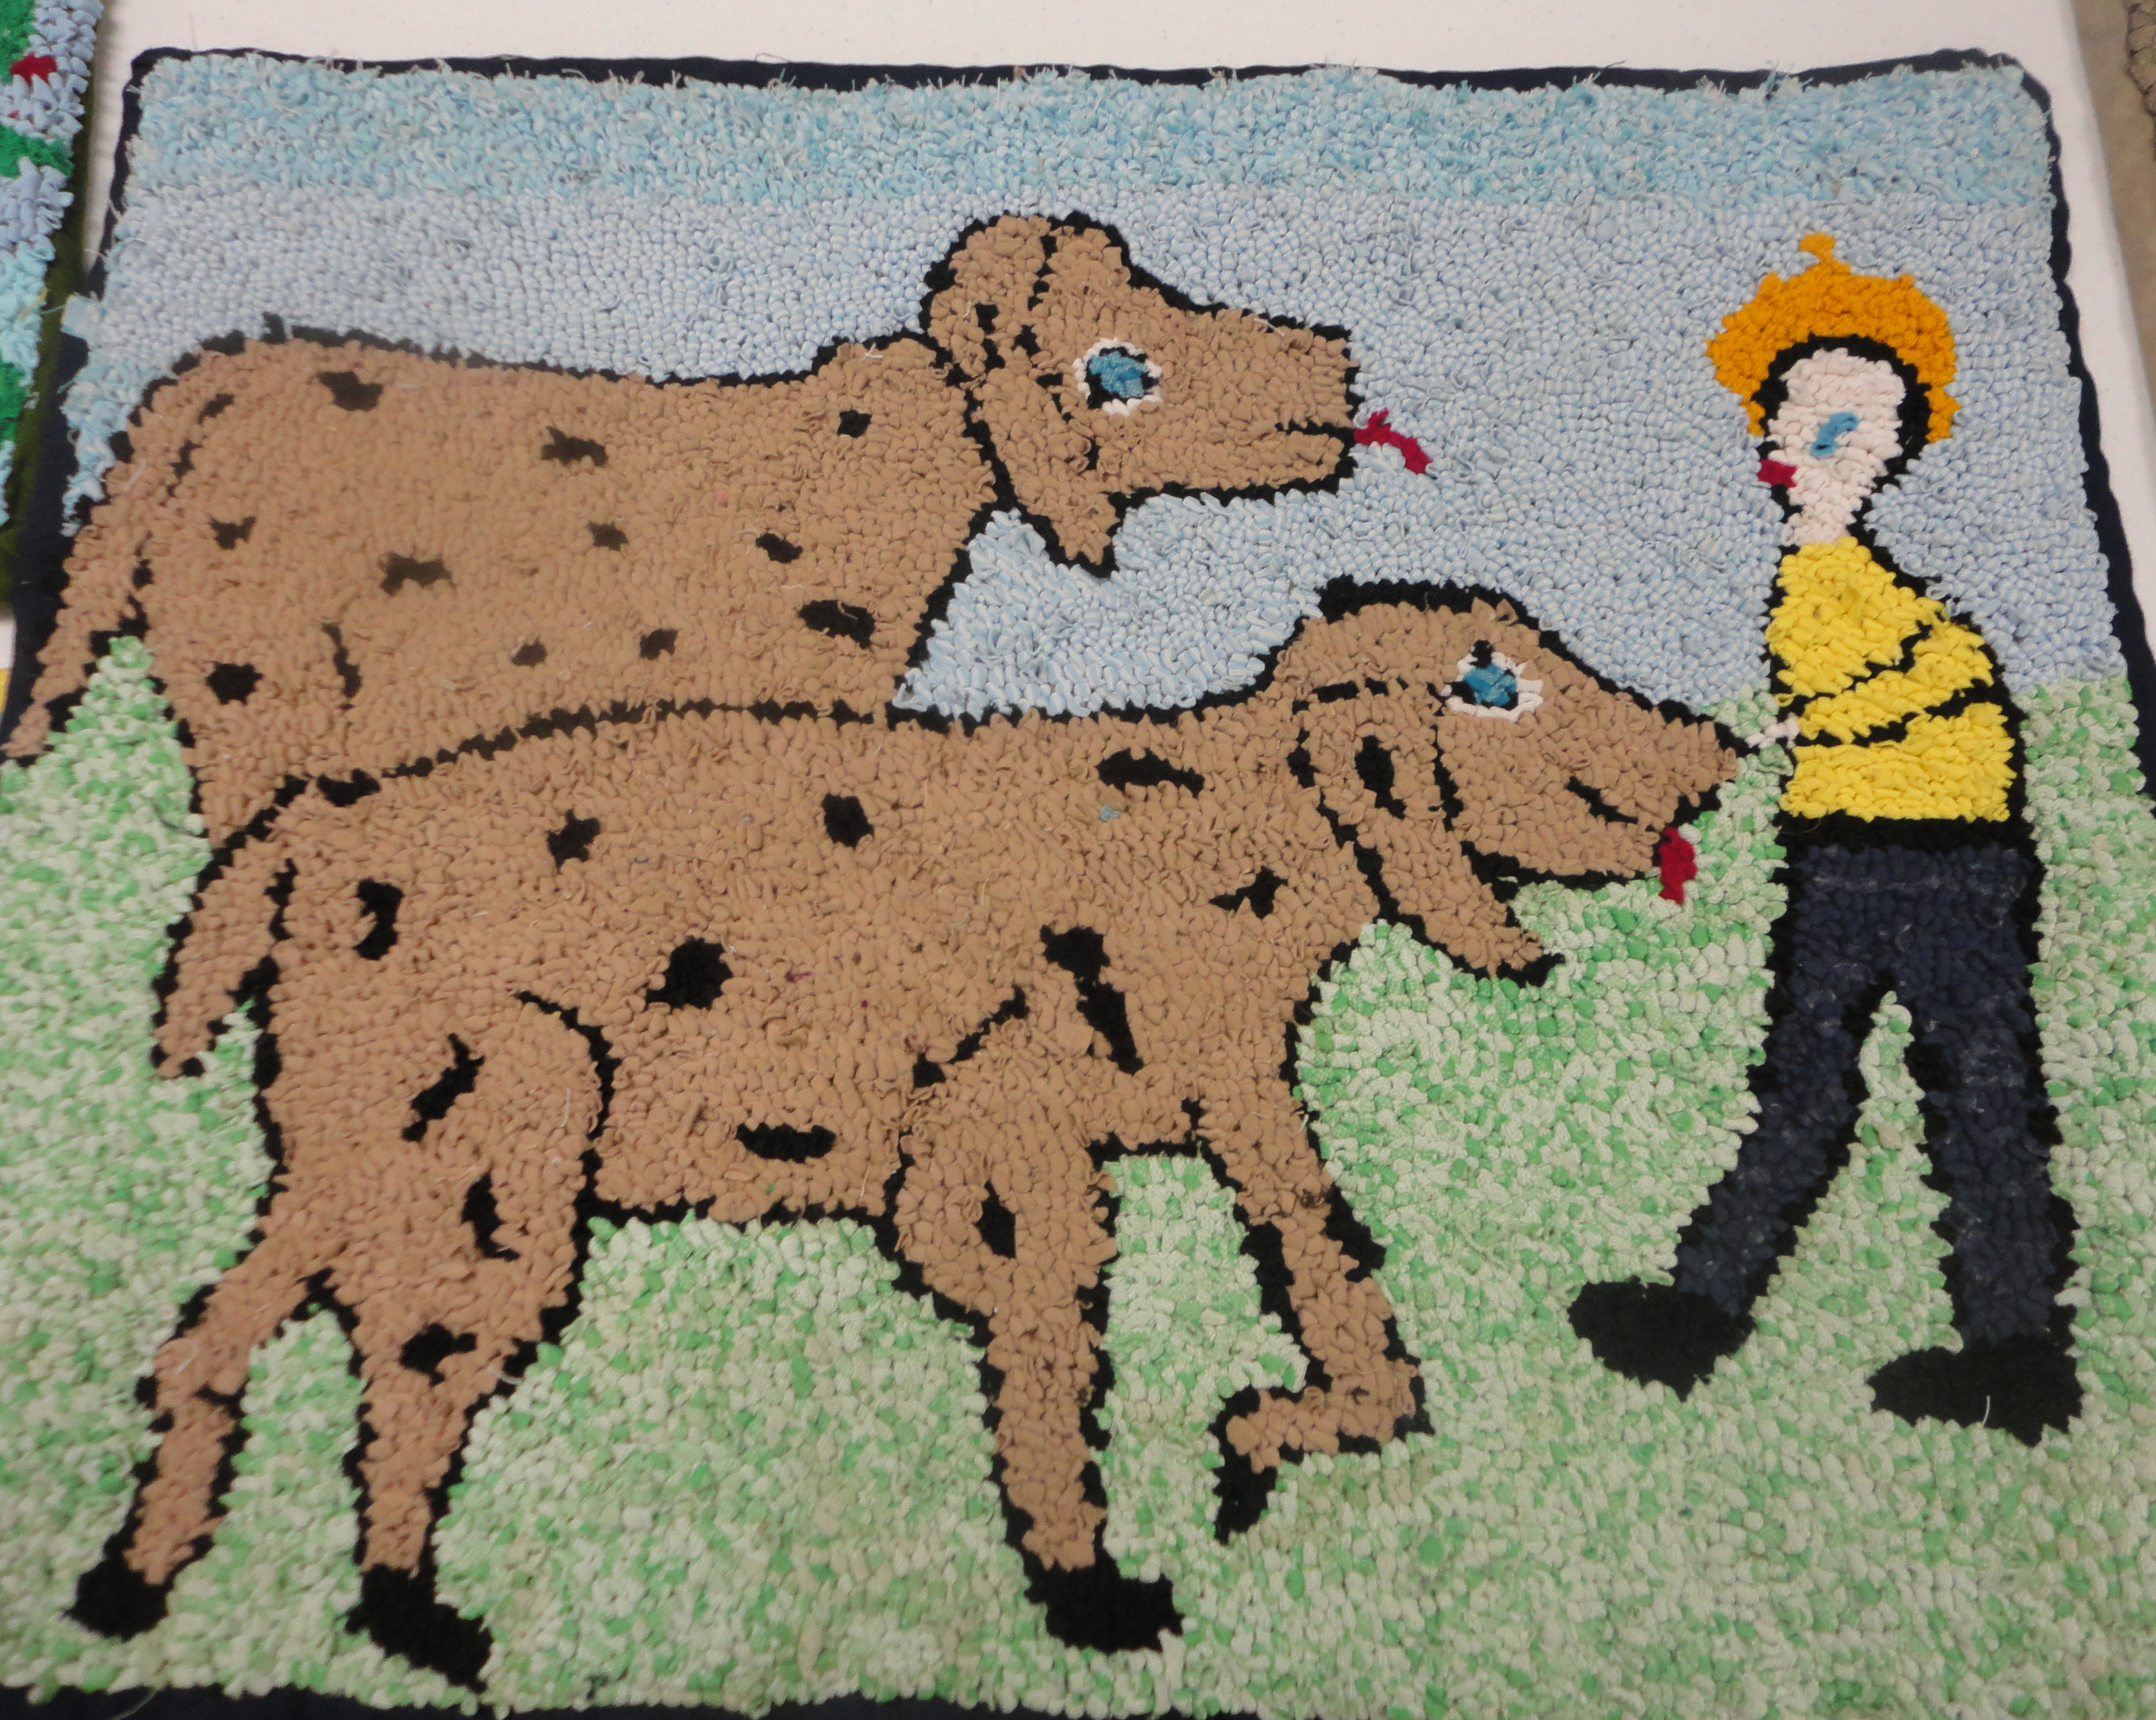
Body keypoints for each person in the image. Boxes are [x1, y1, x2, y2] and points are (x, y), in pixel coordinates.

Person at [1568, 235, 2081, 1445]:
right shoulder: (1820, 583)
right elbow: (1871, 691)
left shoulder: (1861, 584)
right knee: (1830, 1087)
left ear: (1899, 440)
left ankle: (2010, 1350)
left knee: (1971, 1094)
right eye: (1810, 423)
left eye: (1860, 425)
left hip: (1947, 854)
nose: (1829, 446)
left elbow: (1891, 689)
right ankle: (1707, 1307)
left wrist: (1894, 692)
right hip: (1856, 853)